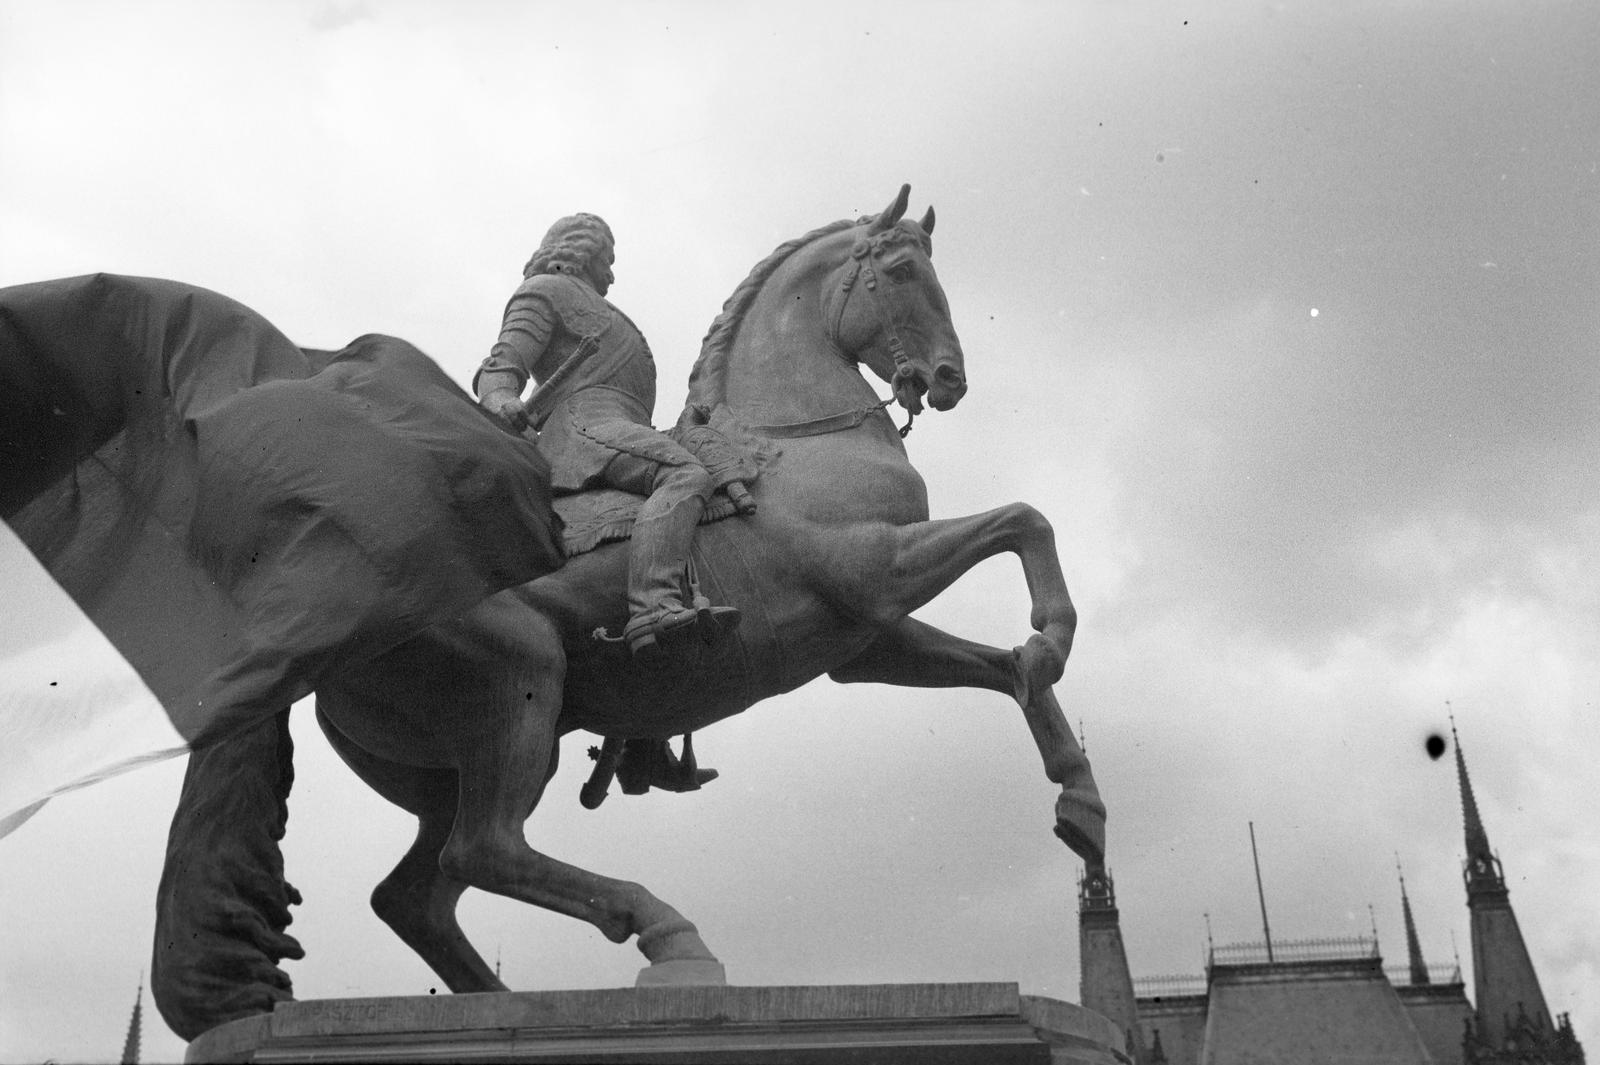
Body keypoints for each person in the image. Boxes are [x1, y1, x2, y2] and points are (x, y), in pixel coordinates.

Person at [474, 212, 738, 658]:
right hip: (583, 428)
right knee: (684, 474)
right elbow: (501, 368)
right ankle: (653, 606)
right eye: (606, 259)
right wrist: (502, 401)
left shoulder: (609, 313)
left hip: (622, 426)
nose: (612, 274)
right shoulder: (544, 291)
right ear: (580, 252)